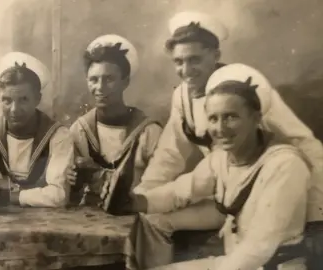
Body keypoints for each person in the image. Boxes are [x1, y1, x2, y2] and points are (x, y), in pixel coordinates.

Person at [135, 11, 323, 221]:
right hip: (223, 195)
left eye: (194, 60)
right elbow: (170, 154)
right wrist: (140, 196)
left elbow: (304, 143)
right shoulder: (182, 95)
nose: (186, 70)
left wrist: (317, 213)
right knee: (152, 219)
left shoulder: (247, 87)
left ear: (216, 56)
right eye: (178, 61)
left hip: (265, 196)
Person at [126, 63, 310, 270]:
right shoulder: (222, 157)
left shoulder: (285, 165)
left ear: (256, 118)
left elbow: (259, 247)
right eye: (213, 118)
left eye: (231, 117)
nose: (220, 129)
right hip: (233, 263)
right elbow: (179, 192)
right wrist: (135, 202)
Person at [0, 52, 73, 209]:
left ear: (37, 99)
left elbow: (59, 195)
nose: (14, 110)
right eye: (7, 101)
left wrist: (12, 197)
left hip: (45, 220)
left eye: (24, 100)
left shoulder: (58, 135)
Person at [68, 34, 162, 215]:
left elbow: (160, 185)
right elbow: (70, 189)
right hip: (88, 216)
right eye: (93, 79)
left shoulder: (148, 131)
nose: (100, 87)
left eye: (109, 79)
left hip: (136, 214)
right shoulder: (80, 130)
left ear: (125, 82)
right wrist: (72, 179)